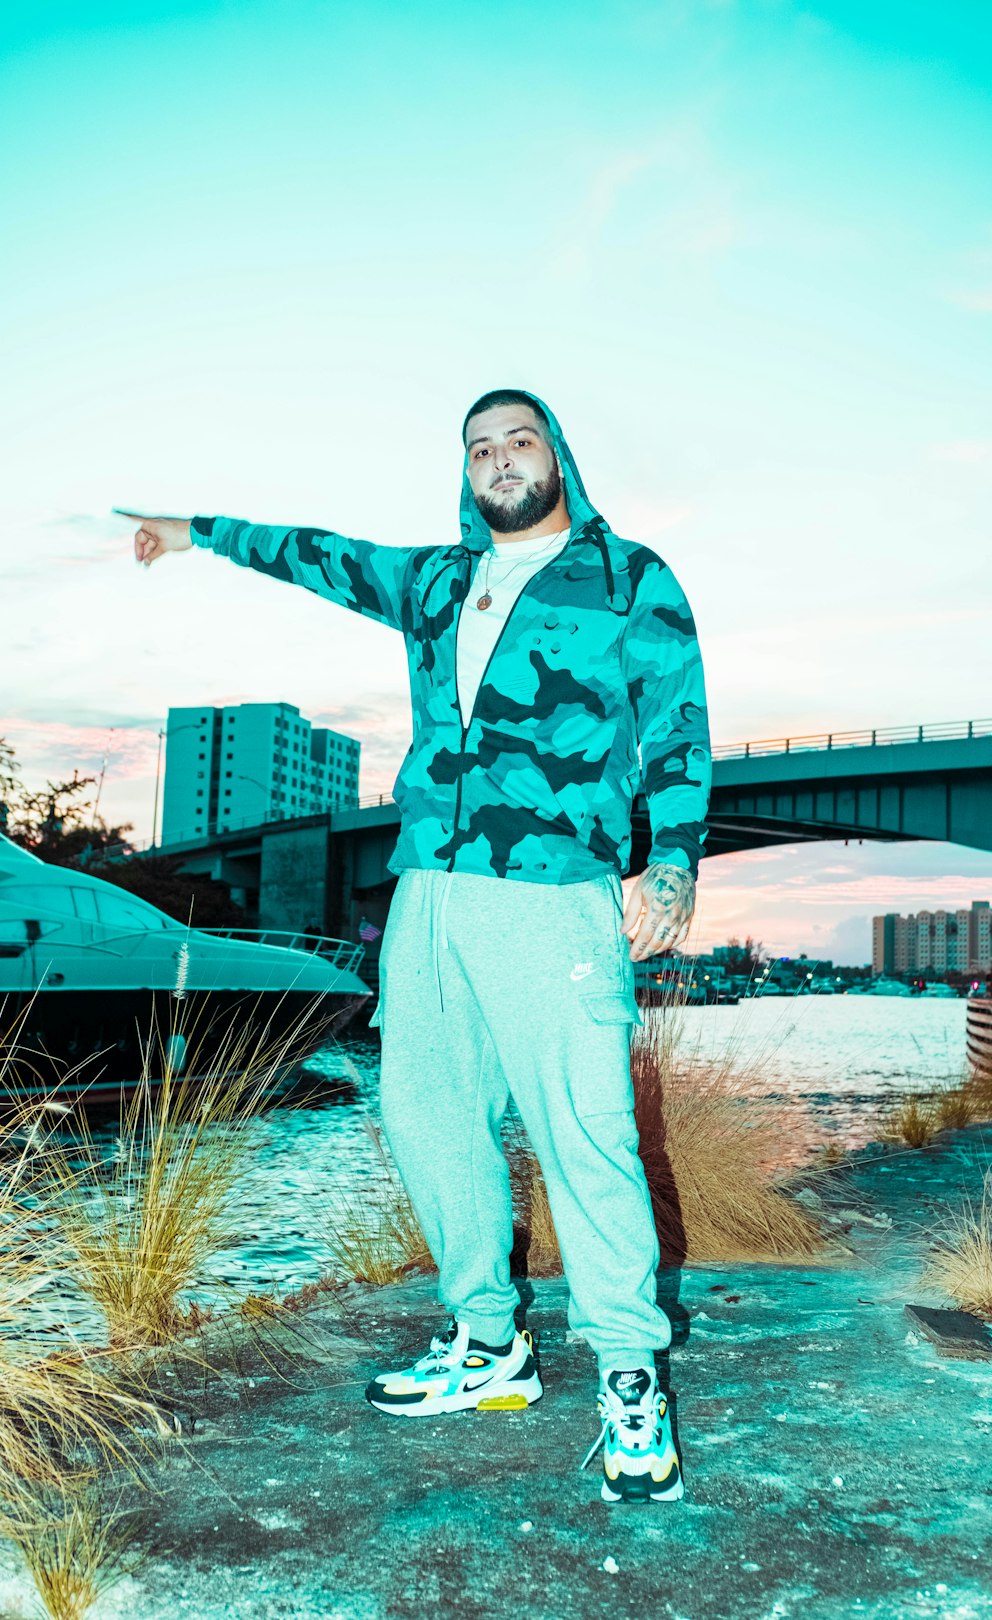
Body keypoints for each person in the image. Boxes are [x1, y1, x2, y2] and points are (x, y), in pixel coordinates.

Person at [121, 387, 712, 1504]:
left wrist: (672, 858)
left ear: (557, 458)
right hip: (429, 890)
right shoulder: (438, 581)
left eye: (518, 440)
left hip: (553, 895)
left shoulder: (631, 577)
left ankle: (630, 1377)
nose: (499, 459)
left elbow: (680, 722)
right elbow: (319, 554)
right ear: (466, 471)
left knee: (583, 1131)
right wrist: (193, 532)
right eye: (480, 447)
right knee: (426, 1116)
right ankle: (490, 1346)